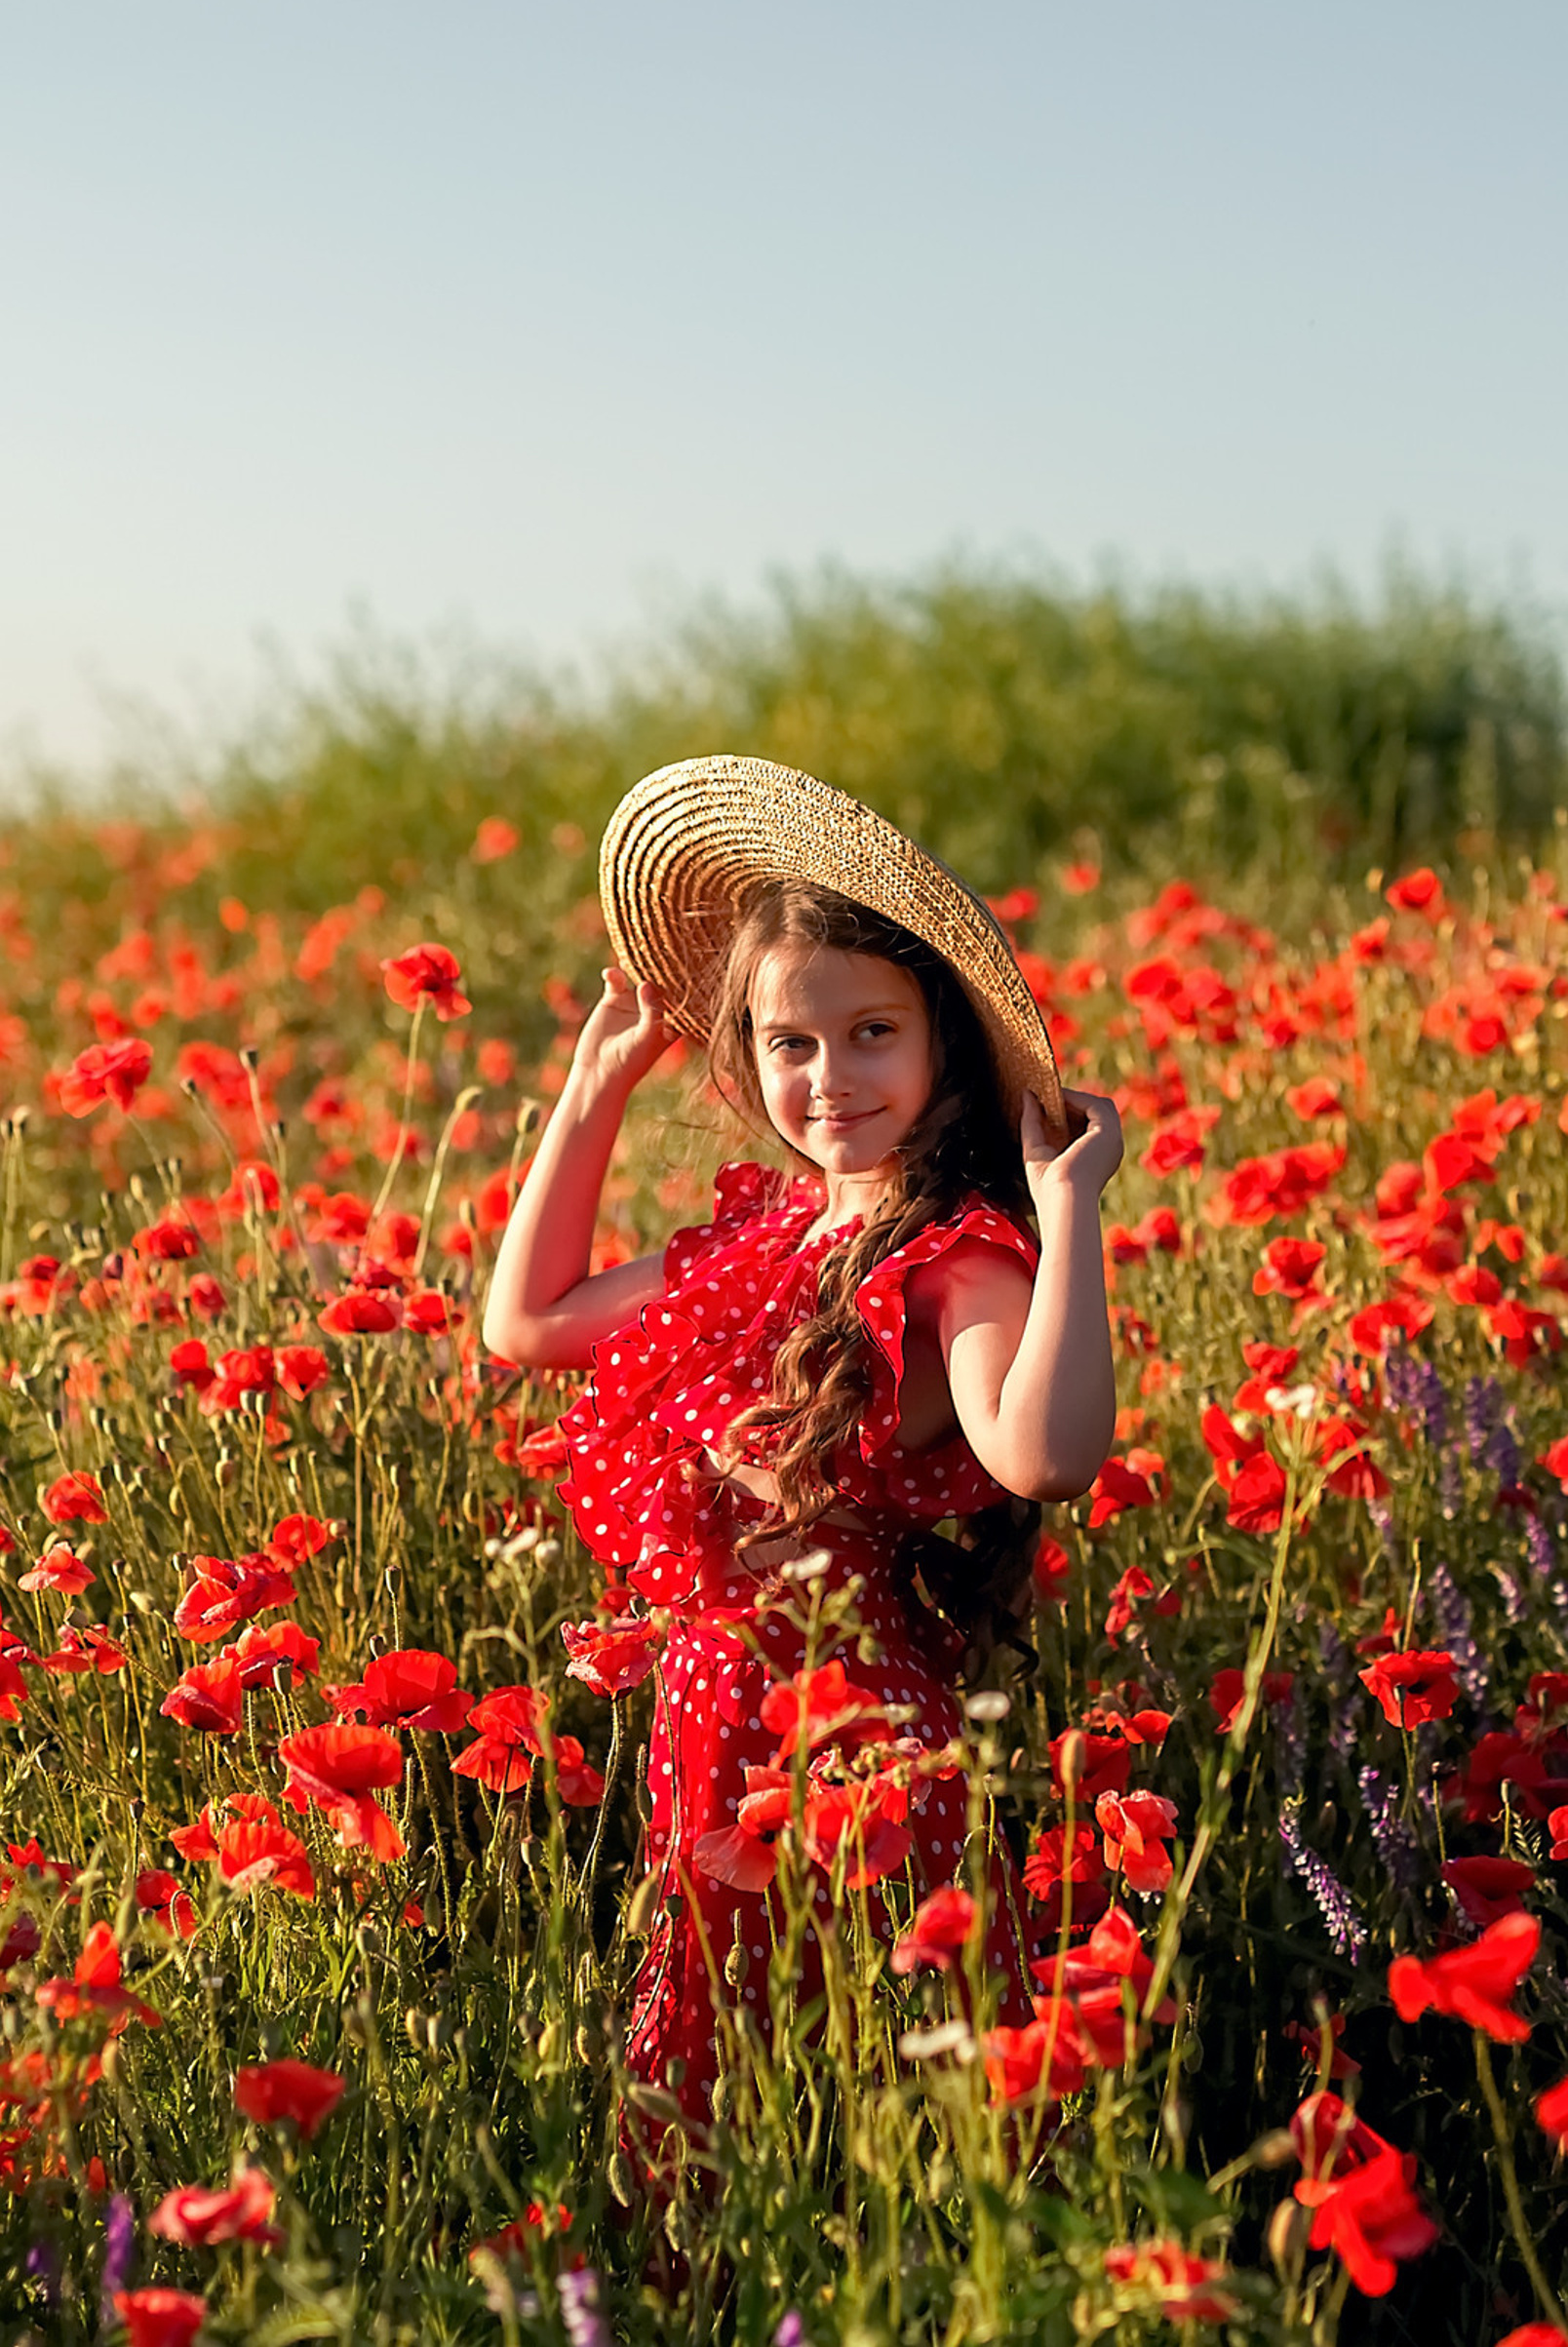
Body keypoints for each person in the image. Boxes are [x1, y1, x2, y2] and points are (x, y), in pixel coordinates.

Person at [480, 756, 1123, 2184]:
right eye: (791, 1043)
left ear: (946, 1044)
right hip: (710, 1725)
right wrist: (593, 1089)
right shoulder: (766, 1244)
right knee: (741, 2093)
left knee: (879, 2100)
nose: (829, 1079)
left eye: (872, 1032)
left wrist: (1071, 1214)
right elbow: (526, 1322)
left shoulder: (951, 1258)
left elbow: (1048, 1451)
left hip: (849, 1740)